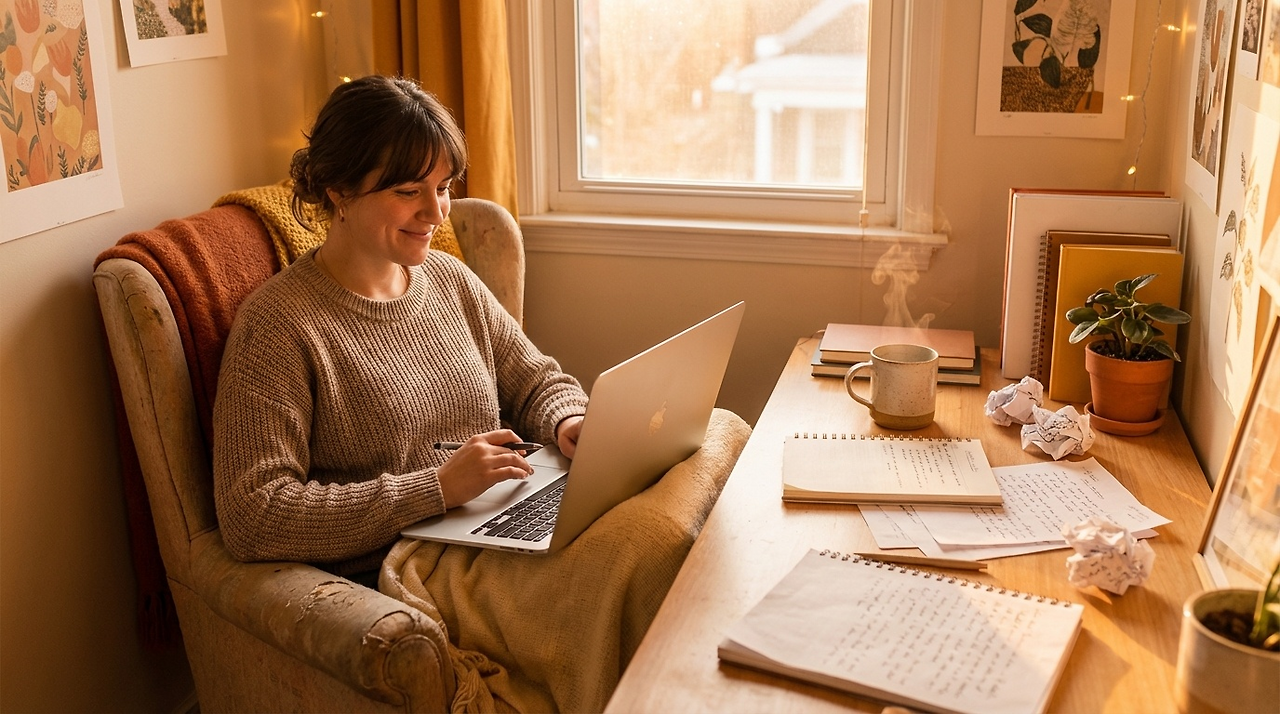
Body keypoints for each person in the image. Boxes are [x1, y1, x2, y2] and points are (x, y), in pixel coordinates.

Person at [212, 75, 589, 578]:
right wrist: (435, 489)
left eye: (443, 188)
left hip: (505, 520)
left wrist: (569, 423)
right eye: (410, 190)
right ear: (340, 192)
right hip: (417, 565)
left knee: (710, 449)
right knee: (638, 552)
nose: (436, 213)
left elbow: (537, 380)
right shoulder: (278, 326)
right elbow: (253, 514)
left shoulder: (448, 278)